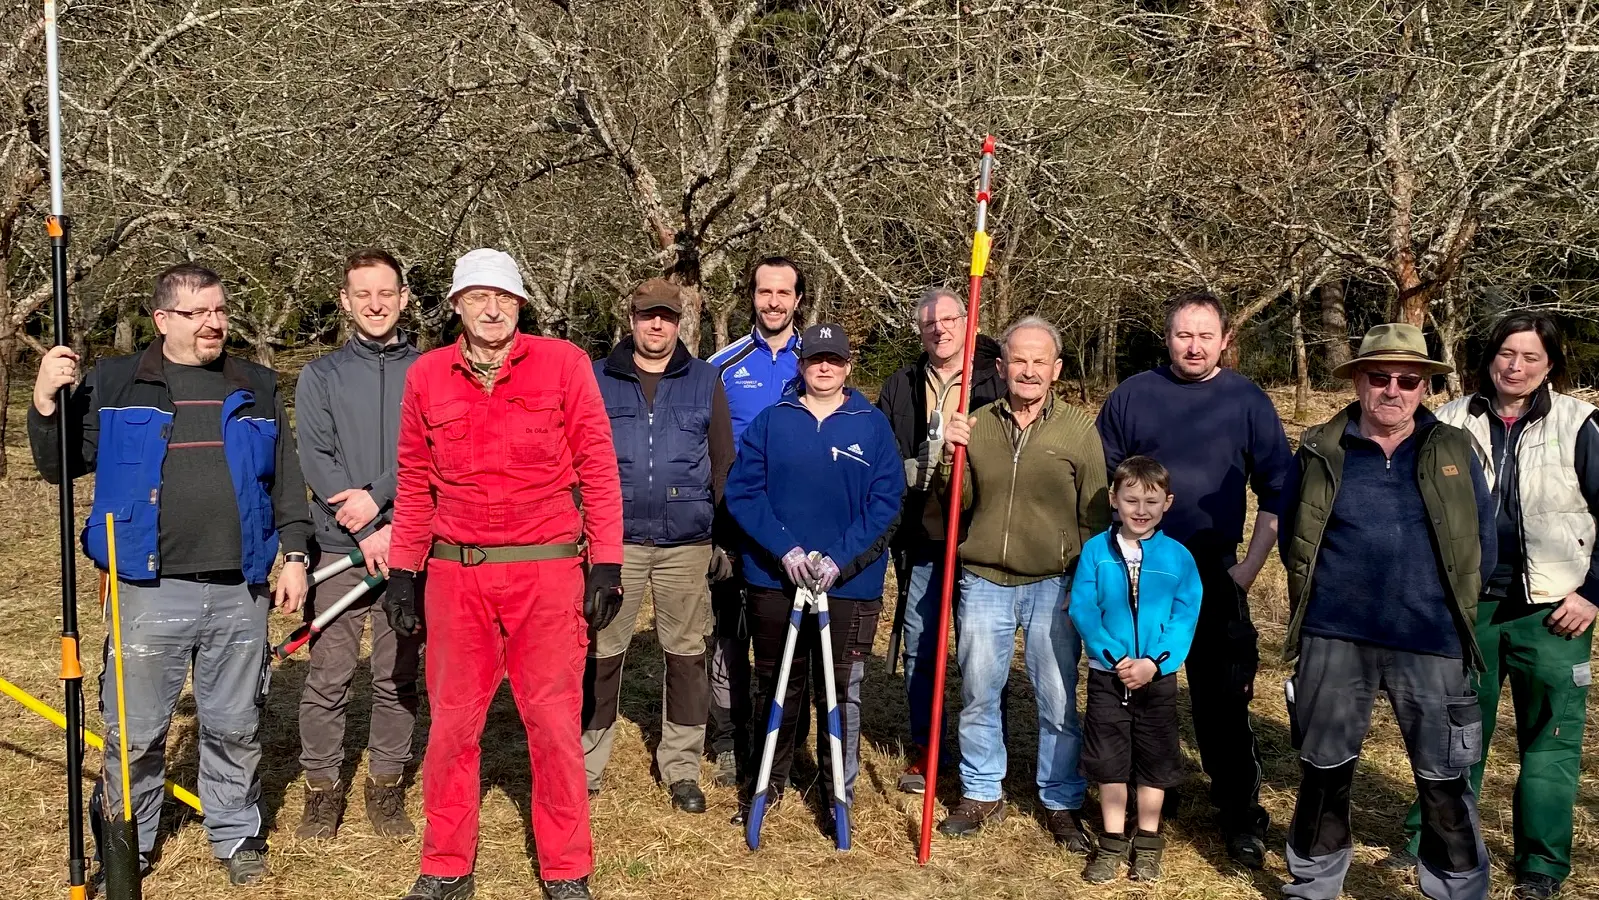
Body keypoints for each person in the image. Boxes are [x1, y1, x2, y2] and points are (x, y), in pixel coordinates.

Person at [29, 262, 312, 888]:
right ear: (163, 320)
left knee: (235, 722)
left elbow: (287, 482)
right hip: (147, 588)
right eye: (197, 313)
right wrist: (47, 398)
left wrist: (294, 554)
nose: (214, 323)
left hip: (241, 587)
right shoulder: (115, 382)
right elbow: (58, 465)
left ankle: (236, 834)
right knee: (134, 733)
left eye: (219, 310)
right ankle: (129, 841)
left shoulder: (257, 385)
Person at [384, 249, 623, 900]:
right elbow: (414, 482)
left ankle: (566, 869)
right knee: (453, 727)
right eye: (478, 297)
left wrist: (606, 562)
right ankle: (445, 864)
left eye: (505, 299)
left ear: (520, 305)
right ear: (456, 305)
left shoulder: (564, 364)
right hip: (457, 577)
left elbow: (598, 468)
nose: (492, 310)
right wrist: (403, 571)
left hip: (547, 574)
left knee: (552, 728)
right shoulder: (427, 377)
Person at [1277, 323, 1495, 900]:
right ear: (1358, 381)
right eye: (1380, 377)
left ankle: (1458, 888)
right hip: (1334, 636)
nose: (1393, 390)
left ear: (1425, 385)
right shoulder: (1321, 448)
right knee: (1324, 775)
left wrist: (1453, 616)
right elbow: (1295, 536)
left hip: (1430, 639)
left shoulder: (1453, 449)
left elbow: (1483, 540)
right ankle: (1313, 886)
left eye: (1408, 379)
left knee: (1444, 782)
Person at [1390, 313, 1598, 900]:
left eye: (1531, 357)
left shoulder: (1580, 425)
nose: (1516, 367)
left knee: (1551, 738)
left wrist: (1592, 595)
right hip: (1466, 609)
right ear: (1488, 357)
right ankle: (1432, 841)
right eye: (1507, 353)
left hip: (1554, 612)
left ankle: (1542, 864)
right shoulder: (1450, 420)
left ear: (1550, 364)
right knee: (1454, 733)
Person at [1094, 291, 1292, 867]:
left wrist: (1249, 568)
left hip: (1213, 572)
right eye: (1184, 334)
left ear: (1225, 340)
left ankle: (1239, 813)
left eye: (1207, 336)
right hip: (1140, 572)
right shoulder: (1133, 397)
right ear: (1168, 336)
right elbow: (1102, 484)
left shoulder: (1247, 401)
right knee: (1143, 693)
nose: (1195, 346)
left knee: (1222, 699)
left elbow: (1278, 489)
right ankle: (1153, 795)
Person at [935, 316, 1108, 851]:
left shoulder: (1078, 429)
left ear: (1055, 370)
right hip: (984, 577)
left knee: (1056, 697)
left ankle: (1060, 799)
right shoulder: (976, 423)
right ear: (1001, 365)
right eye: (1018, 359)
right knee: (978, 690)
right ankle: (982, 789)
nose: (1028, 370)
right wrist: (948, 458)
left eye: (1039, 361)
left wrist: (1084, 581)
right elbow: (956, 506)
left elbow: (1096, 514)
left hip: (1053, 583)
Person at [724, 322, 903, 827]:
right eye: (815, 359)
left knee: (840, 689)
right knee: (778, 684)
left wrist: (839, 558)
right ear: (801, 365)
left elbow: (886, 503)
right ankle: (767, 784)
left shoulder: (871, 423)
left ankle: (835, 796)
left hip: (847, 584)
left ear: (848, 366)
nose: (824, 367)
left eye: (835, 360)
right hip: (775, 578)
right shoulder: (772, 419)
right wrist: (785, 549)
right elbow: (743, 492)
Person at [583, 278, 734, 813]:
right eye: (648, 315)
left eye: (666, 317)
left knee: (686, 653)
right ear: (632, 319)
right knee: (602, 651)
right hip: (612, 541)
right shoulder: (598, 378)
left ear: (680, 322)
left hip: (685, 544)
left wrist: (706, 521)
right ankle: (587, 763)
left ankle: (682, 767)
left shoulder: (704, 380)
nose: (656, 325)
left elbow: (722, 460)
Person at [293, 248, 423, 839]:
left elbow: (431, 451)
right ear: (345, 302)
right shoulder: (319, 375)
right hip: (339, 545)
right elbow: (316, 456)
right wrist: (367, 527)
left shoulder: (430, 370)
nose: (376, 304)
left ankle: (386, 784)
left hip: (411, 545)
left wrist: (387, 506)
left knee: (398, 673)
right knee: (329, 673)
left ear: (403, 298)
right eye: (363, 294)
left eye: (386, 293)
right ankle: (322, 787)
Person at [874, 287, 1005, 794]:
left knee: (981, 654)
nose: (940, 330)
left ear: (968, 321)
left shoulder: (996, 376)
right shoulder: (902, 385)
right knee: (922, 647)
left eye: (949, 319)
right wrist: (921, 465)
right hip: (924, 539)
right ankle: (928, 748)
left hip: (982, 539)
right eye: (929, 323)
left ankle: (984, 756)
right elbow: (886, 463)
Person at [704, 255, 806, 785]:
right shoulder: (722, 365)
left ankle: (783, 740)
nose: (773, 302)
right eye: (764, 291)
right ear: (752, 296)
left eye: (783, 292)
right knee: (726, 635)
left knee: (785, 638)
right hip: (730, 525)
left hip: (792, 531)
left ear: (797, 299)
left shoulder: (814, 361)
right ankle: (727, 736)